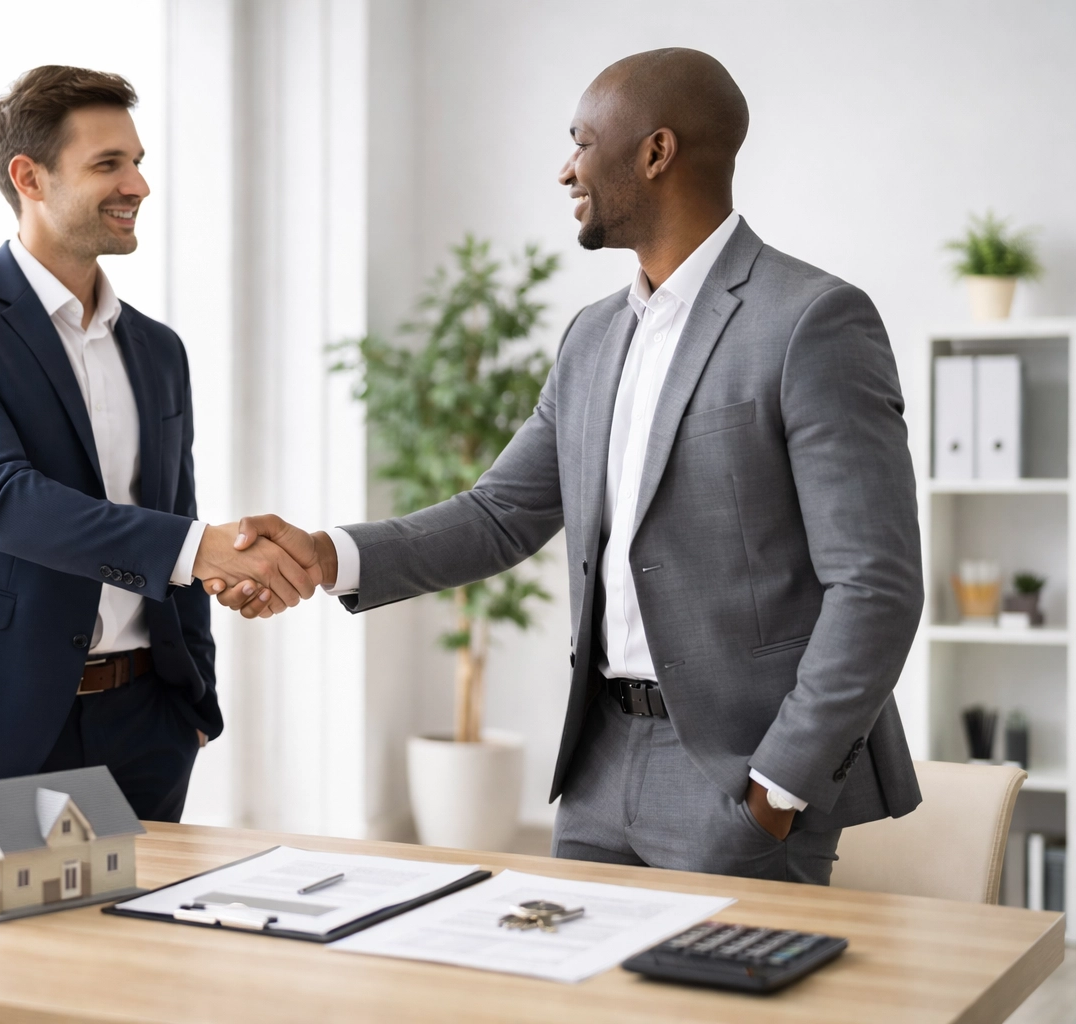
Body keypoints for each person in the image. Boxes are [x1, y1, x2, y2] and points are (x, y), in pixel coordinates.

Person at [213, 48, 923, 883]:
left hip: (737, 779)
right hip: (596, 766)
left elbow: (875, 583)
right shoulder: (592, 336)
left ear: (656, 153)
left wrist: (779, 785)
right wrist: (327, 556)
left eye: (582, 141)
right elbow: (498, 514)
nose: (565, 169)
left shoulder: (811, 320)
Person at [0, 66, 318, 820]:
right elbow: (2, 502)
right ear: (29, 177)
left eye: (137, 161)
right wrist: (205, 549)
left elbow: (174, 510)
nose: (138, 185)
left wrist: (192, 697)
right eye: (109, 164)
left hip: (145, 725)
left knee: (141, 937)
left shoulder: (158, 350)